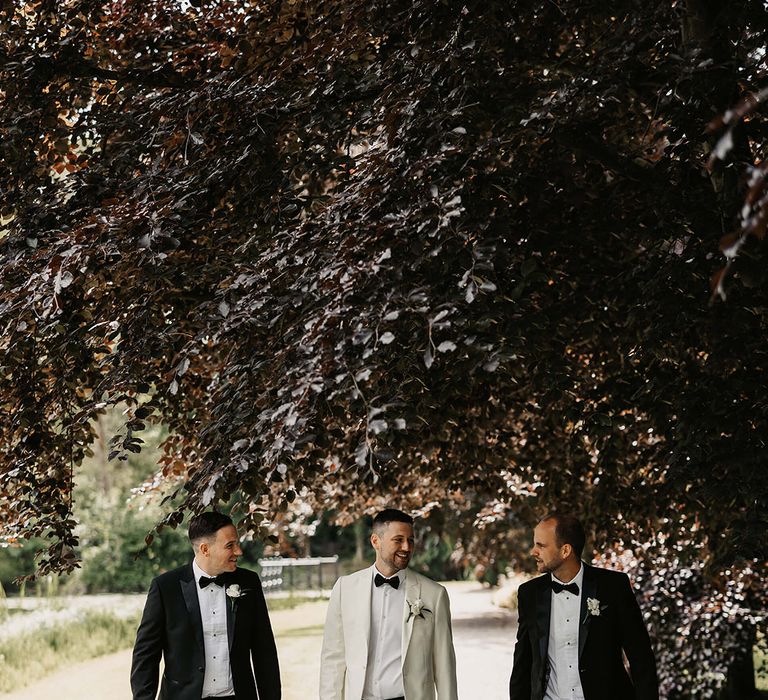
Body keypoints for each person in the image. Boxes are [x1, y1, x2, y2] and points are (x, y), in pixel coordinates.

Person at [131, 511, 281, 700]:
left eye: (237, 543)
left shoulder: (249, 582)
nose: (238, 551)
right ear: (205, 549)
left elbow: (264, 650)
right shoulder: (165, 587)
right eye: (230, 545)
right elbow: (145, 657)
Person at [508, 513, 658, 700]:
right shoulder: (530, 594)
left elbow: (640, 656)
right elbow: (523, 661)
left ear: (565, 550)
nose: (533, 552)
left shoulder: (613, 587)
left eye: (541, 545)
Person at [320, 508, 458, 700]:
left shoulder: (434, 595)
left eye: (410, 540)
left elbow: (445, 666)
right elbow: (333, 658)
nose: (406, 547)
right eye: (398, 540)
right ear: (376, 541)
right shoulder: (345, 589)